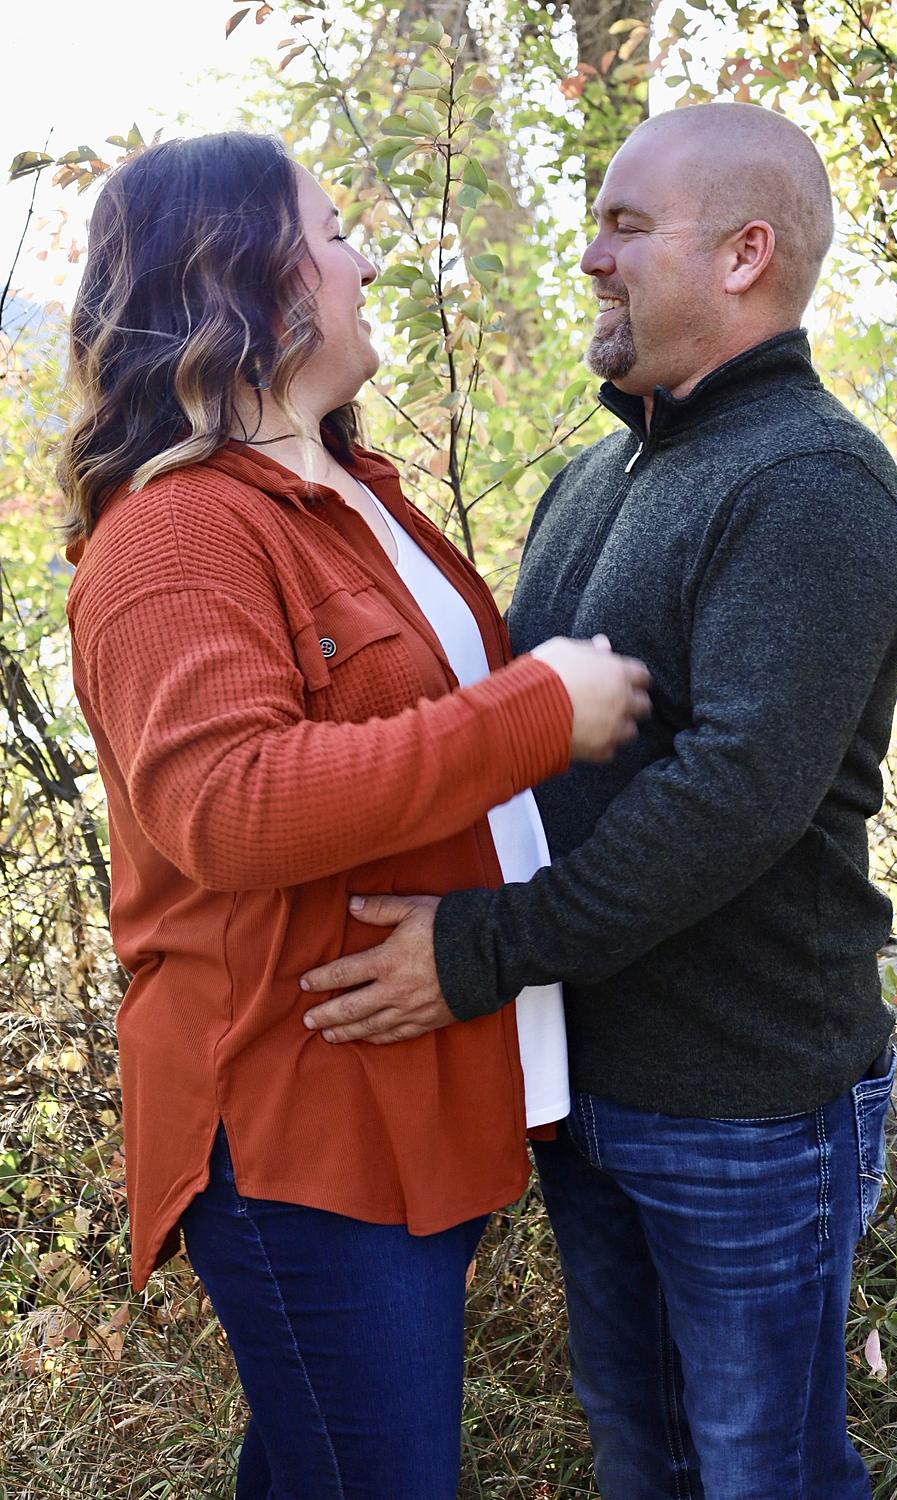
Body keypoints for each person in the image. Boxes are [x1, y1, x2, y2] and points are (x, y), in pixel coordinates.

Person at [297, 103, 897, 1498]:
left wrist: (484, 950)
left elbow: (734, 798)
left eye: (627, 227)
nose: (590, 256)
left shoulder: (812, 485)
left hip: (745, 1105)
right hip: (590, 1086)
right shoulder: (598, 477)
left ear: (746, 255)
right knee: (642, 1458)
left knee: (764, 1473)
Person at [61, 130, 651, 1499]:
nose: (366, 260)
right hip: (297, 1116)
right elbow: (227, 805)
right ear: (250, 275)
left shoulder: (354, 493)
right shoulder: (178, 535)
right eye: (333, 233)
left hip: (401, 1086)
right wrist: (537, 711)